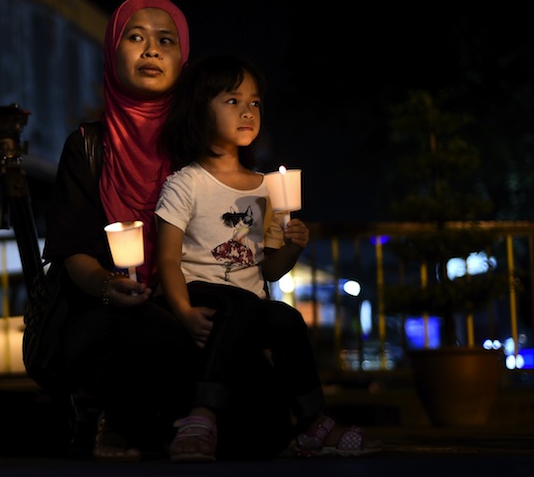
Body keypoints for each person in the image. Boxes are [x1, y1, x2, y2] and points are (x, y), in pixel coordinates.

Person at [156, 53, 382, 461]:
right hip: (201, 295)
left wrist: (294, 245)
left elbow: (270, 268)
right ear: (199, 109)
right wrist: (183, 311)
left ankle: (313, 423)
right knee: (243, 304)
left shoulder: (268, 188)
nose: (248, 111)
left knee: (287, 317)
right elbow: (168, 260)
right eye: (232, 101)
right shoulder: (185, 183)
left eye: (255, 102)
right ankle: (201, 415)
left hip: (249, 308)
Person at [42, 0, 200, 460]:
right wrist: (110, 287)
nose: (151, 50)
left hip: (187, 303)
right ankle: (122, 420)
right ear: (113, 54)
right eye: (135, 37)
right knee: (135, 325)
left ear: (182, 59)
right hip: (104, 312)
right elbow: (74, 253)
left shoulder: (200, 147)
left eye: (165, 41)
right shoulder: (87, 147)